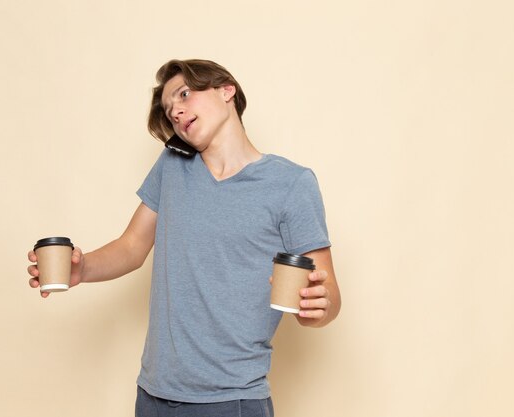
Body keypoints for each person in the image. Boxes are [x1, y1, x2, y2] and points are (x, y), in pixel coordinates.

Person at [27, 59, 341, 417]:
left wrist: (319, 308)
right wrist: (81, 271)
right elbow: (131, 246)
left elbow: (327, 294)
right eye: (168, 109)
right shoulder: (173, 165)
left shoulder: (291, 184)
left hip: (232, 399)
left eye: (185, 94)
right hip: (154, 395)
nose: (175, 111)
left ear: (226, 91)